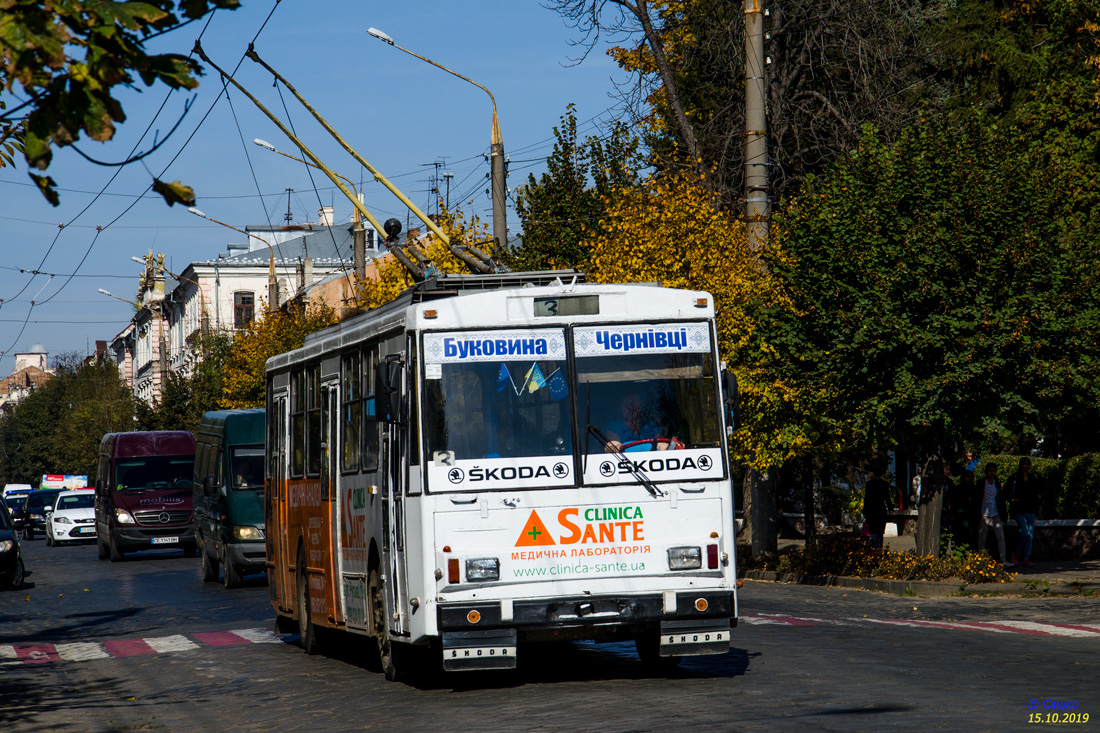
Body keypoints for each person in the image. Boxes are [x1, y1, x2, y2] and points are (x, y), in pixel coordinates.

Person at [601, 392, 675, 453]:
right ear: (620, 408)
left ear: (641, 407)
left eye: (635, 404)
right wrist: (615, 447)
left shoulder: (649, 426)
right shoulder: (614, 426)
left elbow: (663, 445)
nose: (631, 409)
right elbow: (611, 447)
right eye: (627, 405)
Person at [1005, 457, 1041, 567]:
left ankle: (1026, 558)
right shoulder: (1015, 478)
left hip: (1031, 509)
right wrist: (1011, 500)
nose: (1026, 466)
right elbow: (1005, 491)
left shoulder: (1032, 478)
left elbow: (1039, 490)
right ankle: (1015, 554)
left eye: (1028, 464)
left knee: (1030, 535)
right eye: (1024, 464)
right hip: (1019, 510)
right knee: (1024, 532)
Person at [977, 462, 1014, 567]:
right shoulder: (982, 483)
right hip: (984, 513)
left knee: (1001, 536)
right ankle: (981, 560)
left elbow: (999, 498)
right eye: (990, 471)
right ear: (986, 472)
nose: (992, 473)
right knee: (982, 538)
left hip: (995, 512)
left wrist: (1003, 513)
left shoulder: (996, 482)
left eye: (994, 471)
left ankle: (1003, 560)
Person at [863, 466, 892, 549]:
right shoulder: (884, 484)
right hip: (881, 509)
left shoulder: (869, 484)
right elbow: (887, 497)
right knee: (880, 531)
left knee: (873, 530)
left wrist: (865, 511)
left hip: (872, 510)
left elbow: (867, 498)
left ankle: (874, 547)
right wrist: (890, 509)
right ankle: (880, 547)